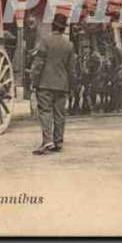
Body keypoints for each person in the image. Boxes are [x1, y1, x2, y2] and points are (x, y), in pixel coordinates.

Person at [30, 13, 78, 155]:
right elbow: (72, 70)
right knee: (59, 113)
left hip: (45, 84)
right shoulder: (69, 45)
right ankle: (58, 142)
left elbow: (38, 65)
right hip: (62, 85)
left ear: (53, 26)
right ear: (63, 28)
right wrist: (72, 86)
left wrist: (34, 81)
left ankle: (47, 140)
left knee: (45, 112)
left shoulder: (45, 41)